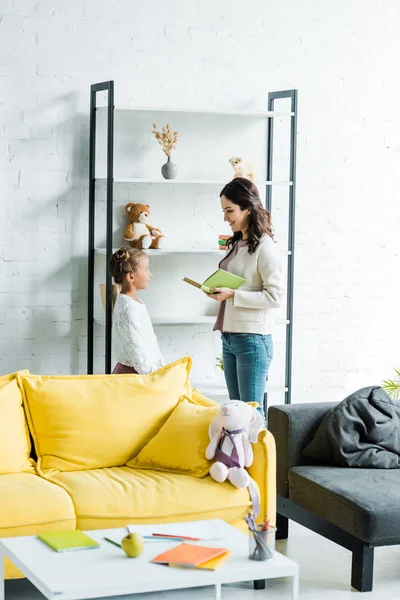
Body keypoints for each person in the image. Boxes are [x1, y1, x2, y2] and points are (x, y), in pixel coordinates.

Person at [208, 177, 284, 419]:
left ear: (248, 208)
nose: (225, 217)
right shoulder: (237, 243)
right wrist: (221, 291)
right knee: (236, 413)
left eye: (229, 210)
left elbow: (275, 297)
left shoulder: (265, 246)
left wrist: (233, 294)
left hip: (252, 340)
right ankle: (239, 458)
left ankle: (261, 458)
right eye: (223, 211)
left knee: (252, 413)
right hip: (230, 337)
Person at [108, 247, 164, 375]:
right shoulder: (128, 308)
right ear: (131, 276)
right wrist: (152, 376)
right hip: (133, 376)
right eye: (146, 269)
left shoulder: (135, 301)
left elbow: (148, 340)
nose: (150, 273)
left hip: (142, 373)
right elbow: (136, 349)